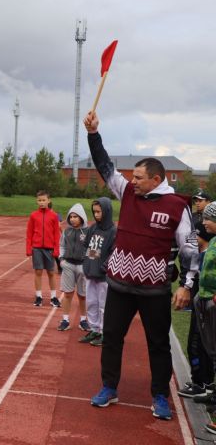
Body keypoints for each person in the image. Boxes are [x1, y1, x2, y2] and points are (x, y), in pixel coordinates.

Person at [84, 110, 199, 421]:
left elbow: (190, 251)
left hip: (154, 290)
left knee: (158, 344)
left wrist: (187, 286)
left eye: (138, 177)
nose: (131, 181)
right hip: (119, 285)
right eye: (131, 177)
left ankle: (160, 395)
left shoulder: (177, 206)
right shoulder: (128, 193)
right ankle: (109, 387)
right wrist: (94, 134)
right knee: (111, 337)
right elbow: (105, 167)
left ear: (156, 180)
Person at [180, 221, 216, 400]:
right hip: (203, 305)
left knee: (197, 343)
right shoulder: (205, 253)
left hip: (206, 305)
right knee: (205, 344)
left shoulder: (206, 257)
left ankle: (200, 383)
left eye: (197, 235)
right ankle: (206, 382)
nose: (193, 239)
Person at [79, 198, 116, 347]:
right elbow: (88, 246)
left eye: (99, 212)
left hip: (103, 276)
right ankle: (94, 328)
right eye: (94, 212)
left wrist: (103, 267)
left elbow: (114, 252)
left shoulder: (113, 231)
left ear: (106, 211)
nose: (96, 214)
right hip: (90, 273)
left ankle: (103, 332)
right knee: (91, 303)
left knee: (103, 305)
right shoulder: (93, 228)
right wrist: (87, 263)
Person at [56, 203, 89, 332]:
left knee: (83, 295)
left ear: (82, 217)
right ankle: (65, 320)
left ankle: (83, 320)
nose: (73, 219)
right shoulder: (67, 231)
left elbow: (92, 249)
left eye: (76, 216)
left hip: (83, 266)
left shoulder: (88, 231)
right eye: (71, 216)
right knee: (68, 294)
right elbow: (62, 245)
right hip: (68, 265)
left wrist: (88, 262)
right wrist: (62, 259)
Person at [26, 191, 62, 307]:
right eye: (39, 200)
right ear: (37, 201)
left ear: (48, 201)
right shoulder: (33, 215)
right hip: (36, 248)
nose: (41, 202)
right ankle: (38, 296)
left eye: (43, 200)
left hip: (49, 249)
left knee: (51, 273)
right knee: (38, 272)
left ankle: (53, 297)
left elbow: (57, 234)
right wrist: (28, 248)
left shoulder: (54, 216)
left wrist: (57, 250)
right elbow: (29, 233)